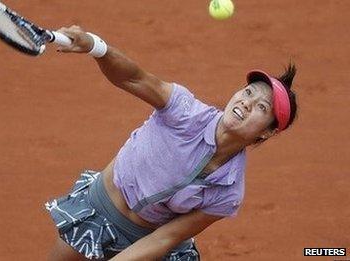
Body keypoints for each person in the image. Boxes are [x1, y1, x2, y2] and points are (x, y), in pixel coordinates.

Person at [44, 25, 298, 260]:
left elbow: (165, 237)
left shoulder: (228, 193)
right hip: (98, 209)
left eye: (261, 107)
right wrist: (95, 46)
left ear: (267, 132)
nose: (247, 102)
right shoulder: (185, 111)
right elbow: (133, 78)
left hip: (149, 241)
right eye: (248, 92)